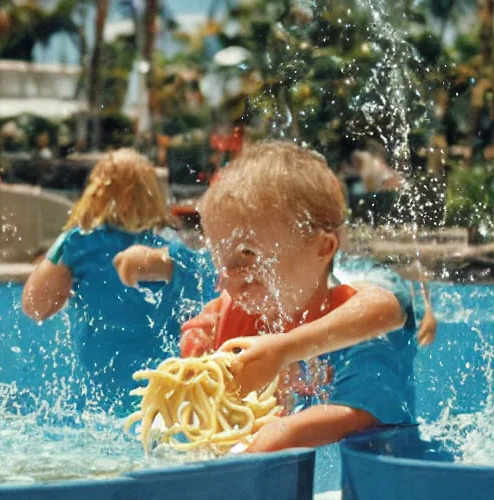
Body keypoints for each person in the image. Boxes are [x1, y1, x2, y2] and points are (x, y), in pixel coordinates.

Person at [173, 141, 416, 452]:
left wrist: (283, 351)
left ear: (323, 248)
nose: (228, 280)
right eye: (220, 262)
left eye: (248, 254)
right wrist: (196, 351)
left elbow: (390, 308)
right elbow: (208, 321)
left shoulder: (356, 310)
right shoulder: (243, 310)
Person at [22, 149, 214, 408]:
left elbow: (34, 306)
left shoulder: (79, 244)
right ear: (152, 193)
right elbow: (210, 291)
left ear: (97, 191)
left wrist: (63, 244)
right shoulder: (171, 248)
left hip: (98, 393)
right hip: (162, 390)